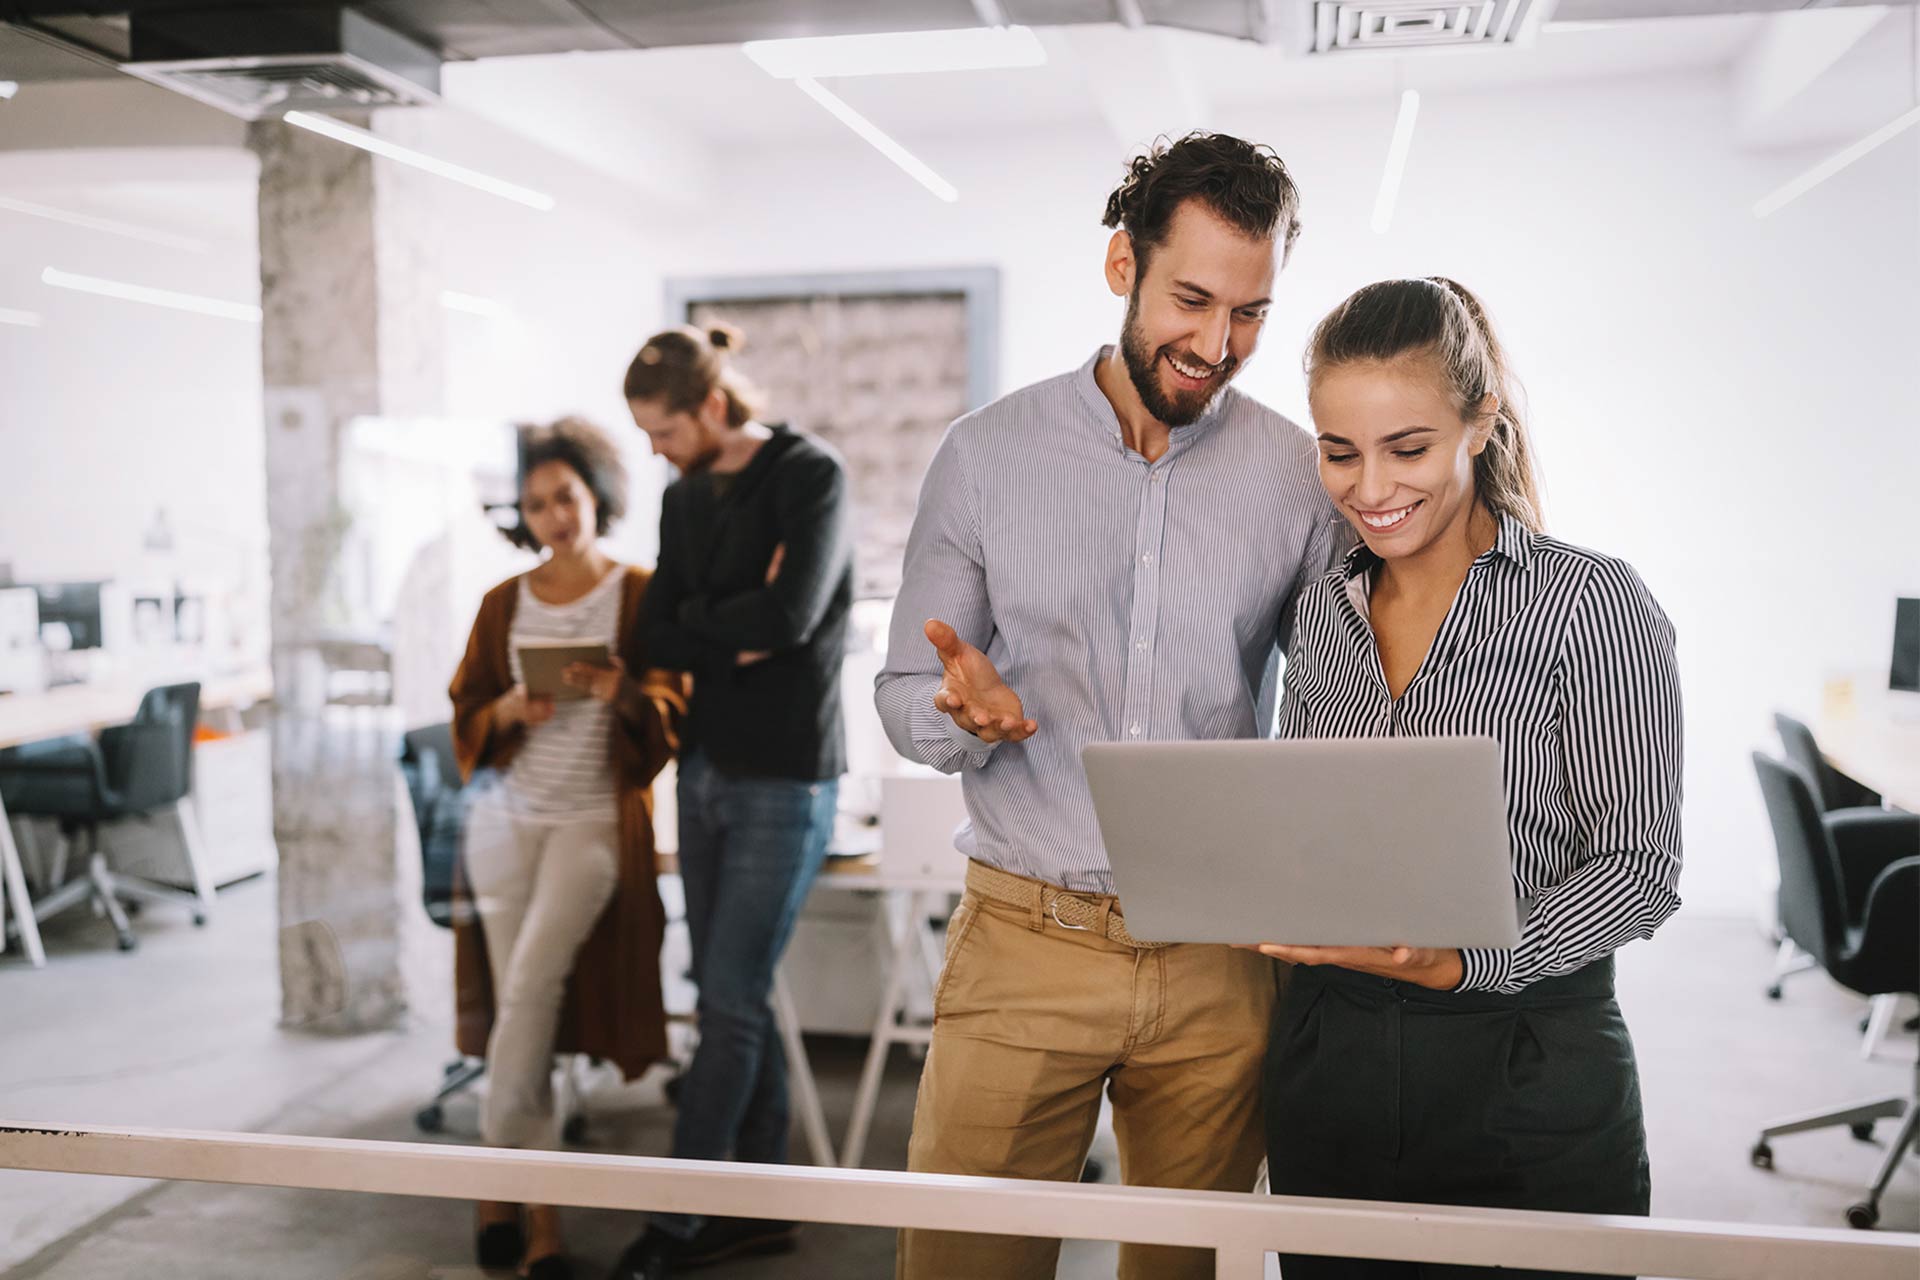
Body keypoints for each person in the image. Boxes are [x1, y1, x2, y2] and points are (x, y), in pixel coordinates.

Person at [874, 132, 1342, 1280]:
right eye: (1192, 299)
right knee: (959, 1266)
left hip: (1219, 956)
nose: (1216, 345)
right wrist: (961, 714)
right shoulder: (985, 456)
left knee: (1186, 1273)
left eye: (1250, 314)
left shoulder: (1297, 475)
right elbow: (900, 691)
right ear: (1121, 266)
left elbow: (1338, 708)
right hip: (1025, 940)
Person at [1257, 277, 1684, 1279]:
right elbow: (1298, 823)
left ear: (1480, 423)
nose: (1370, 486)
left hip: (1525, 1071)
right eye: (1339, 451)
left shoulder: (1592, 604)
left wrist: (1462, 955)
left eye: (1407, 448)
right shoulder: (1319, 611)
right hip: (1335, 1067)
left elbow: (1638, 868)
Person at [610, 324, 854, 1280]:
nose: (655, 452)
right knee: (730, 998)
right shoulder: (685, 496)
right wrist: (732, 628)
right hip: (705, 769)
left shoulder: (810, 475)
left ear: (713, 406)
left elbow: (791, 616)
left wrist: (715, 625)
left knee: (727, 1001)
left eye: (663, 430)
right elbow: (649, 636)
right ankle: (760, 1203)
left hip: (786, 776)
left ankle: (681, 1218)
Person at [448, 418, 688, 1280]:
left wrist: (623, 690)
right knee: (527, 1012)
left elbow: (670, 718)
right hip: (505, 820)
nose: (554, 515)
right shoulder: (500, 605)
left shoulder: (638, 593)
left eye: (567, 498)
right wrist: (511, 711)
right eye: (537, 503)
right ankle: (539, 1216)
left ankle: (491, 1179)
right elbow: (466, 717)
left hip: (592, 821)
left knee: (529, 986)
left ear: (597, 499)